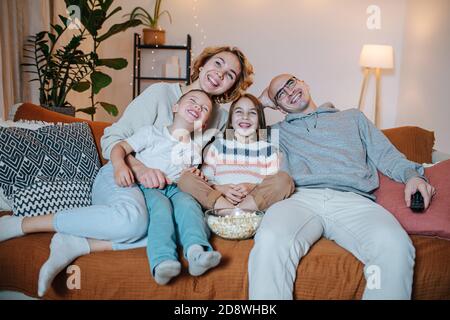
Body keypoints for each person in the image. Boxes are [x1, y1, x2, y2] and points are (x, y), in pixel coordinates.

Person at [0, 46, 254, 297]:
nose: (220, 74)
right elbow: (113, 140)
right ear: (203, 63)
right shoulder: (161, 95)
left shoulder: (218, 118)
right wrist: (139, 168)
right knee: (134, 220)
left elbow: (213, 159)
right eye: (218, 63)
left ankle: (79, 244)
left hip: (167, 189)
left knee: (182, 225)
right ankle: (23, 224)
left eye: (230, 74)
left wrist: (216, 184)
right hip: (125, 176)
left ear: (232, 86)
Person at [249, 74, 436, 300]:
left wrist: (413, 177)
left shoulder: (353, 118)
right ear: (278, 107)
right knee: (271, 238)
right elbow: (230, 134)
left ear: (304, 82)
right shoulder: (275, 132)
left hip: (354, 201)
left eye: (290, 83)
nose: (289, 92)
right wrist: (259, 103)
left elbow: (388, 157)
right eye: (280, 94)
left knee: (395, 245)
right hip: (298, 199)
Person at [111, 89, 221, 285]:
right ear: (175, 107)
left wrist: (196, 175)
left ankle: (197, 252)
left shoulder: (194, 149)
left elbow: (187, 176)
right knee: (161, 209)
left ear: (203, 124)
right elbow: (119, 147)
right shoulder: (151, 133)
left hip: (176, 188)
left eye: (204, 108)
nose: (197, 107)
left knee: (189, 205)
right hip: (148, 187)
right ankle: (163, 261)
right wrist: (120, 166)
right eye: (193, 101)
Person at [178, 93, 295, 211]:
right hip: (220, 202)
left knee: (284, 180)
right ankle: (230, 212)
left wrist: (252, 187)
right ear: (231, 120)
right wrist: (221, 189)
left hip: (251, 203)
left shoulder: (268, 150)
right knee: (186, 178)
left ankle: (240, 214)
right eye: (239, 112)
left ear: (259, 121)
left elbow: (269, 183)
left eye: (252, 113)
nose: (245, 116)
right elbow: (206, 180)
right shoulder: (218, 145)